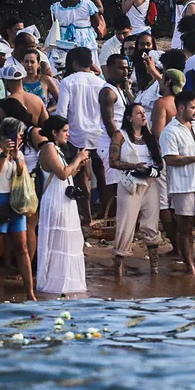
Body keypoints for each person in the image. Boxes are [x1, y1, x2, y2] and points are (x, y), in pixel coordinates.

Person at [159, 90, 195, 275]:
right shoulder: (169, 131)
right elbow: (170, 159)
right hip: (183, 185)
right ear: (181, 107)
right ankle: (189, 264)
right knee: (185, 226)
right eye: (193, 107)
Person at [0, 117, 35, 302]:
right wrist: (4, 154)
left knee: (23, 248)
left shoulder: (17, 153)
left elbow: (22, 175)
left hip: (14, 202)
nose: (20, 139)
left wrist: (17, 156)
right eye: (18, 135)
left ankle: (30, 293)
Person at [109, 103, 163, 277]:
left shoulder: (150, 137)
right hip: (130, 183)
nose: (142, 115)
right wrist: (134, 166)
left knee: (151, 222)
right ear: (129, 117)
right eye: (138, 113)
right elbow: (113, 162)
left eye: (143, 112)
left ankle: (154, 266)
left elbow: (159, 161)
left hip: (150, 183)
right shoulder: (120, 135)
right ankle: (119, 267)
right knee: (125, 223)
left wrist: (153, 169)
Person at [36, 115, 88, 296]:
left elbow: (69, 172)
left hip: (64, 200)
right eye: (64, 131)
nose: (67, 135)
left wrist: (79, 163)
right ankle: (55, 282)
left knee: (68, 241)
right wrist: (78, 158)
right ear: (54, 132)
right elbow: (62, 174)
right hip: (55, 200)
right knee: (58, 241)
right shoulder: (49, 148)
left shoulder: (56, 150)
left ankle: (66, 281)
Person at [55, 46, 104, 224]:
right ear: (90, 62)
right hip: (99, 134)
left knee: (82, 176)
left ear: (74, 63)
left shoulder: (68, 82)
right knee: (102, 173)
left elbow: (61, 112)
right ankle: (106, 212)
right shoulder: (101, 83)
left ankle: (87, 214)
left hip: (77, 135)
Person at [96, 53, 133, 219]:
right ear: (109, 69)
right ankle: (110, 222)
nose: (125, 72)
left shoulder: (119, 89)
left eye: (126, 68)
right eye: (120, 68)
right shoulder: (108, 92)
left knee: (118, 183)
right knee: (112, 185)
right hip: (110, 144)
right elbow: (109, 121)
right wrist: (120, 144)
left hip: (116, 142)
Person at [48, 0, 102, 71]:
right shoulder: (87, 4)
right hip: (85, 39)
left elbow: (50, 25)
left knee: (63, 65)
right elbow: (97, 22)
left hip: (63, 40)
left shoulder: (55, 7)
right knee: (87, 64)